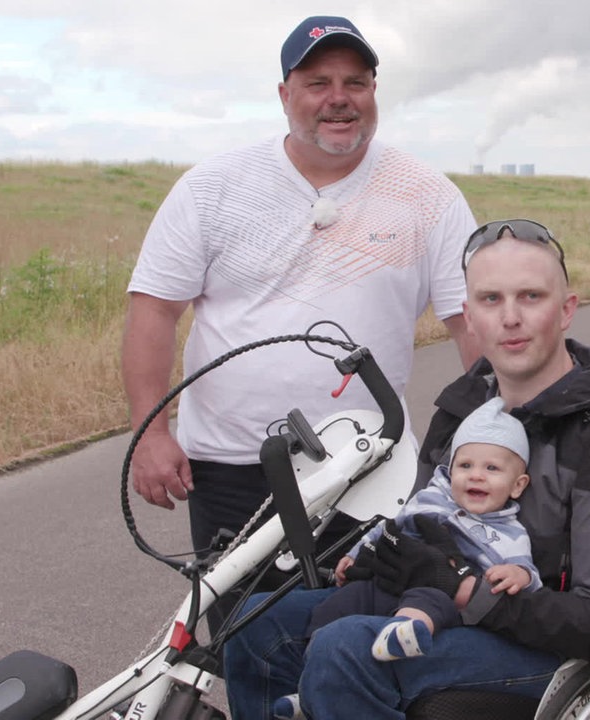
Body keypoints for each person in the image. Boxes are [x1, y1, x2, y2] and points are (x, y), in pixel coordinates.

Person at [120, 15, 479, 632]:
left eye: (356, 82)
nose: (339, 98)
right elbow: (153, 310)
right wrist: (149, 433)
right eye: (317, 82)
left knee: (347, 644)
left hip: (365, 470)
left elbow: (473, 325)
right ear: (285, 94)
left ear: (373, 92)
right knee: (240, 642)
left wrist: (495, 439)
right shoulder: (213, 188)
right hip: (230, 469)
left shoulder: (428, 196)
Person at [222, 219, 590, 720]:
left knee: (345, 648)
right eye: (491, 300)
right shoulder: (463, 407)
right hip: (436, 610)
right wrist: (378, 557)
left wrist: (464, 588)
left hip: (551, 653)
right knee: (256, 625)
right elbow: (422, 521)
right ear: (469, 317)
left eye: (531, 297)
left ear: (566, 311)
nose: (510, 318)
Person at [272, 397, 541, 719]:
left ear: (517, 485)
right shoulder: (429, 500)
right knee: (340, 604)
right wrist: (355, 555)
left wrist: (518, 574)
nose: (476, 476)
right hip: (390, 580)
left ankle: (407, 632)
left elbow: (525, 568)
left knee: (430, 597)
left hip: (445, 591)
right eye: (465, 466)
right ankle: (310, 686)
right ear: (449, 470)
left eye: (492, 469)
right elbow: (386, 529)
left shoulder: (507, 530)